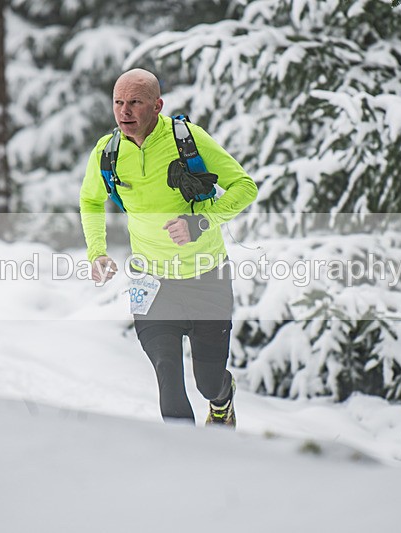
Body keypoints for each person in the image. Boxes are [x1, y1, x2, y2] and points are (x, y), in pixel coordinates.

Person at [79, 68, 257, 427]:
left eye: (135, 102)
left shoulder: (187, 140)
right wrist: (97, 251)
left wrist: (200, 221)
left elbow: (244, 186)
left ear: (157, 106)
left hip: (207, 277)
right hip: (152, 281)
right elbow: (91, 201)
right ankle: (186, 463)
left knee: (208, 382)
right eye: (118, 102)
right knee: (168, 377)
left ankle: (222, 398)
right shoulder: (108, 152)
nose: (124, 111)